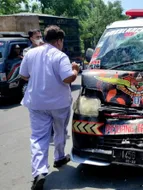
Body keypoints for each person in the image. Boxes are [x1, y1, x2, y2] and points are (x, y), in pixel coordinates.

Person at [19, 25, 80, 190]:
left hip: (36, 103)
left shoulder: (30, 53)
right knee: (60, 131)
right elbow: (67, 79)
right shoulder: (60, 56)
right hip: (59, 104)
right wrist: (75, 70)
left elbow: (23, 75)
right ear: (59, 40)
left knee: (38, 137)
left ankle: (39, 171)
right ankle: (59, 157)